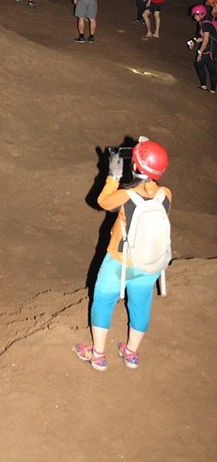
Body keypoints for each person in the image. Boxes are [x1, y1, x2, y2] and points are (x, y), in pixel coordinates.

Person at [74, 139, 171, 372]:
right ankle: (131, 354)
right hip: (150, 265)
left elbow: (102, 201)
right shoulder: (166, 194)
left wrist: (114, 176)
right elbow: (148, 188)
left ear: (136, 167)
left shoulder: (126, 195)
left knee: (103, 301)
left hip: (120, 262)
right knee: (140, 304)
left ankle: (97, 355)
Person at [193, 2, 217, 93]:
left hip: (209, 49)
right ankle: (213, 90)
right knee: (213, 69)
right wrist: (193, 41)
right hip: (213, 49)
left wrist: (200, 52)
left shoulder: (205, 24)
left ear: (201, 14)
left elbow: (205, 40)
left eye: (195, 15)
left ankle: (204, 85)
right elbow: (203, 38)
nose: (194, 17)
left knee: (199, 64)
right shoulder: (205, 23)